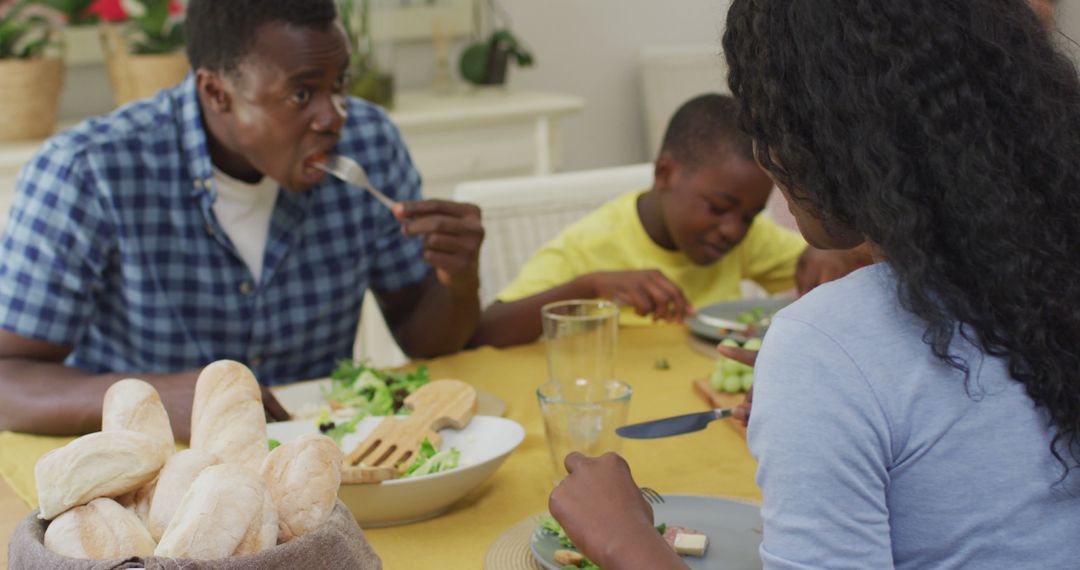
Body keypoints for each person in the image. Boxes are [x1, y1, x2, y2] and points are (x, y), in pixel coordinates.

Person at [548, 1, 1080, 568]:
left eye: (763, 121)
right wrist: (844, 412)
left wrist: (622, 536)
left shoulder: (826, 345)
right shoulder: (1051, 275)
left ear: (820, 137)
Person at [0, 0, 484, 441]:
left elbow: (423, 340)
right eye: (301, 94)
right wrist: (151, 397)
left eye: (338, 84)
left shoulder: (371, 143)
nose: (333, 117)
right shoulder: (88, 171)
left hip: (322, 468)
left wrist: (458, 281)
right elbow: (9, 375)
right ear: (217, 91)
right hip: (154, 477)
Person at [471, 94, 865, 348]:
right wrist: (589, 287)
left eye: (748, 216)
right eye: (717, 207)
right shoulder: (590, 245)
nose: (733, 229)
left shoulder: (746, 238)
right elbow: (487, 330)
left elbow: (850, 258)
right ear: (665, 173)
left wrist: (828, 253)